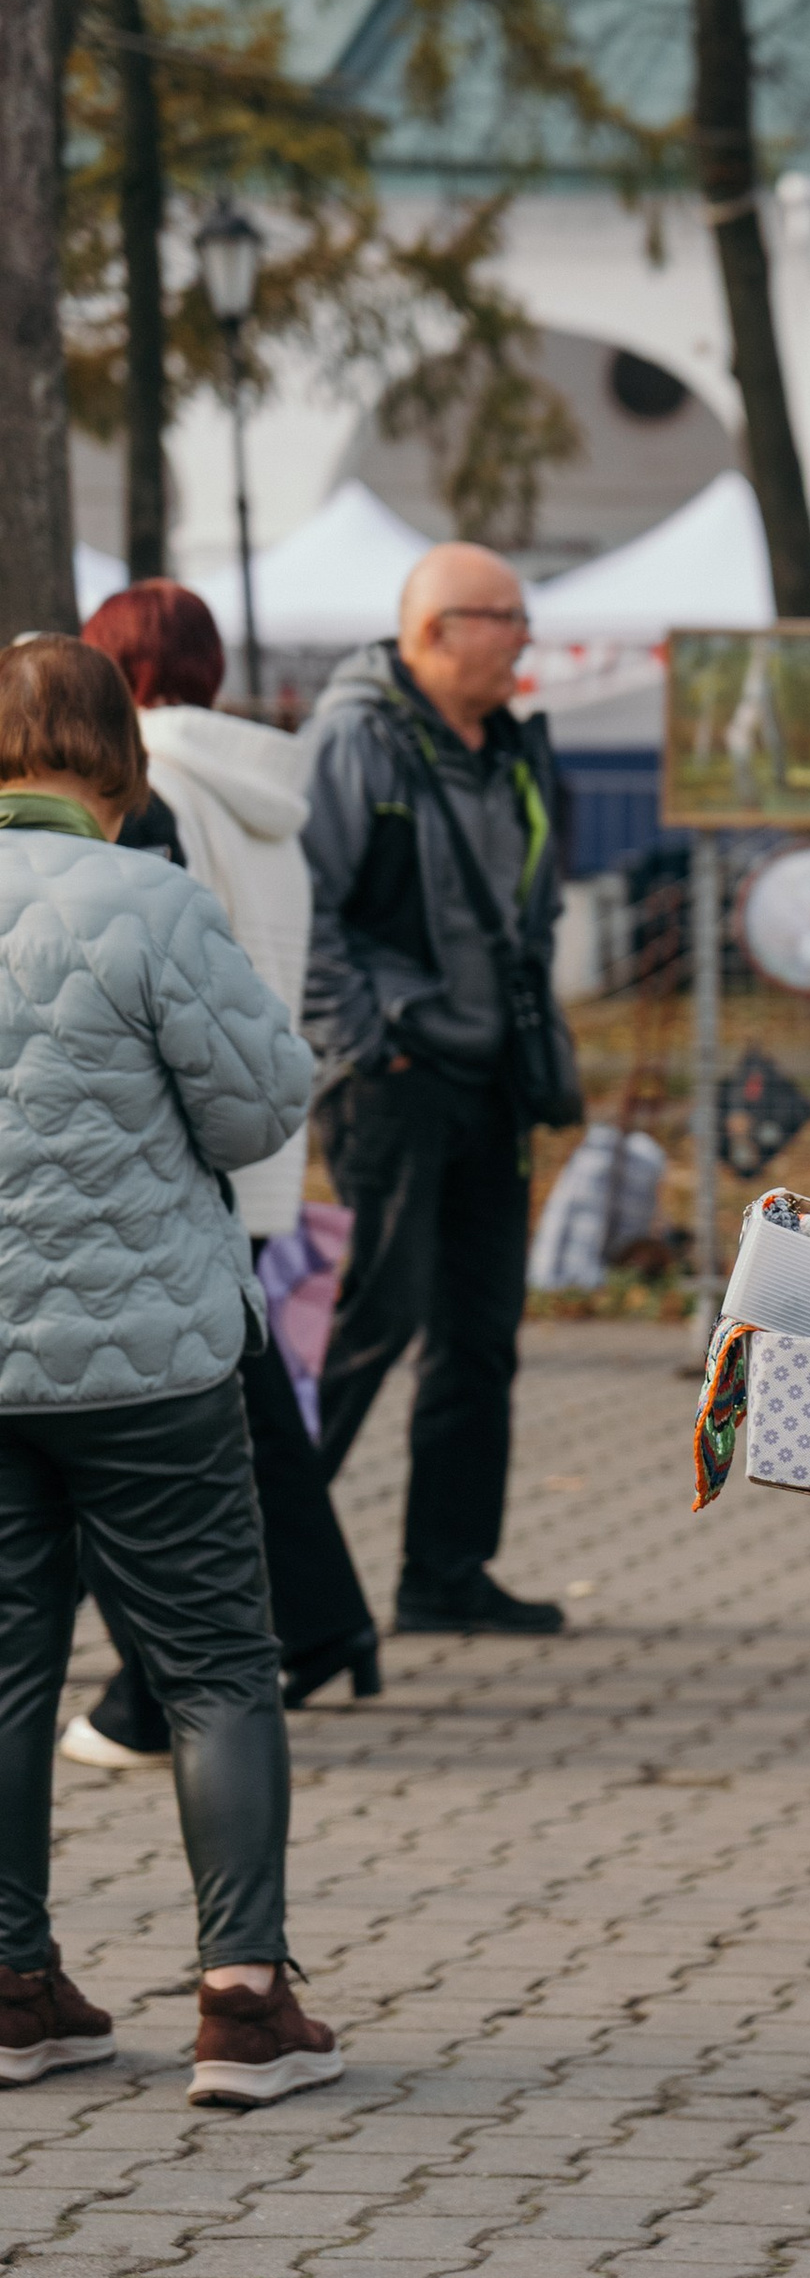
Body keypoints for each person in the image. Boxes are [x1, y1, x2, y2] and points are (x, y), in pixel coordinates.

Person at [0, 636, 342, 2106]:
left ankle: (16, 1992)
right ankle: (242, 2006)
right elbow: (260, 1109)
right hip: (148, 1361)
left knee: (8, 1666)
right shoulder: (150, 900)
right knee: (213, 1665)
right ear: (124, 766)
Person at [61, 583, 378, 1764]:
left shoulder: (154, 792)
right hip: (253, 1140)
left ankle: (156, 1689)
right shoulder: (262, 790)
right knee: (249, 1411)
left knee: (154, 1427)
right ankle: (329, 1624)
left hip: (172, 1157)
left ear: (118, 671)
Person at [301, 544, 581, 1637]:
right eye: (503, 618)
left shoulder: (509, 750)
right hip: (396, 1082)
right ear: (432, 631)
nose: (523, 639)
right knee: (376, 1320)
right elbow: (305, 910)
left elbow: (531, 910)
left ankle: (444, 1574)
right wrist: (369, 1044)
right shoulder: (354, 740)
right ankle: (257, 1569)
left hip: (491, 1080)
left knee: (480, 1332)